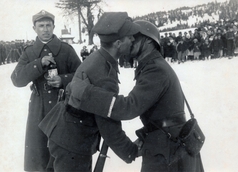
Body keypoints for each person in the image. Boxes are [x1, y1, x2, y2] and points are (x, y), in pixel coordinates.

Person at [73, 20, 204, 172]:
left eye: (135, 37)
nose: (130, 40)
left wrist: (85, 93)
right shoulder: (153, 66)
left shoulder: (155, 69)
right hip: (166, 143)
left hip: (168, 147)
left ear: (149, 41)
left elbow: (128, 108)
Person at [38, 12, 140, 172]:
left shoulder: (98, 57)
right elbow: (108, 123)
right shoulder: (104, 73)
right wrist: (130, 151)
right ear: (118, 43)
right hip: (73, 144)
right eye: (130, 37)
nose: (133, 40)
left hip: (64, 136)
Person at [10, 10, 81, 171]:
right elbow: (16, 79)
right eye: (41, 25)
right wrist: (38, 63)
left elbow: (82, 75)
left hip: (63, 107)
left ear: (54, 26)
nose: (45, 29)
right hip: (38, 108)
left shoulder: (66, 49)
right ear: (34, 28)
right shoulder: (29, 52)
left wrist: (63, 80)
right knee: (38, 153)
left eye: (48, 25)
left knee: (63, 151)